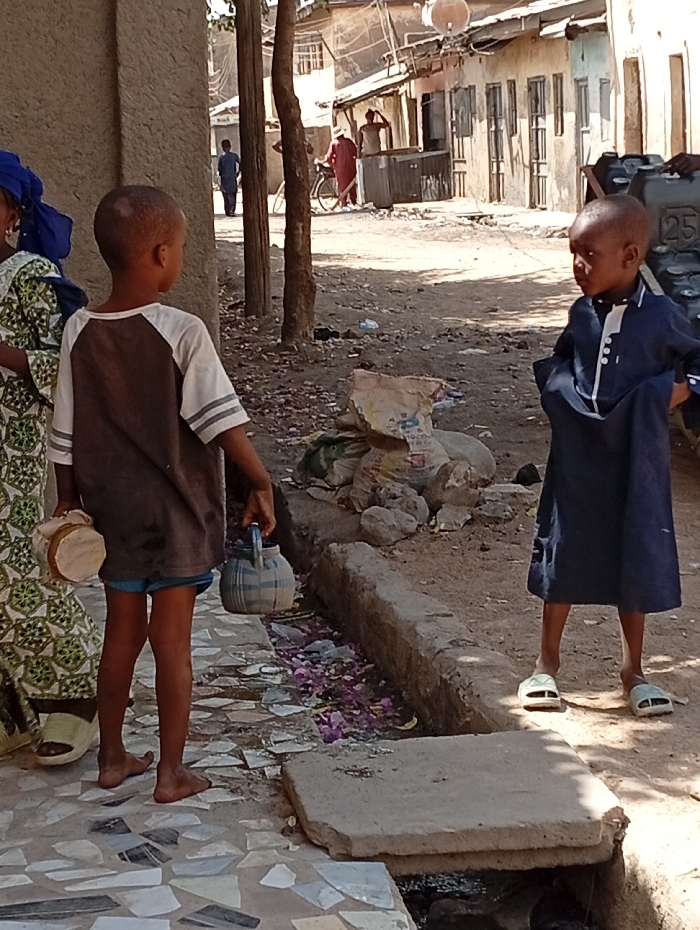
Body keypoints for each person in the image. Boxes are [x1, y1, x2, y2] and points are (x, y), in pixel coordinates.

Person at [48, 185, 276, 802]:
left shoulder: (79, 331)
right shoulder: (181, 331)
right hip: (176, 517)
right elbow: (220, 421)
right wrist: (259, 481)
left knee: (120, 637)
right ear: (159, 254)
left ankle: (112, 758)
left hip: (112, 516)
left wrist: (68, 499)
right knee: (172, 644)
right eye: (180, 248)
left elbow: (64, 431)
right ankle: (171, 773)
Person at [519, 194, 700, 719]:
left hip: (636, 459)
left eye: (589, 255)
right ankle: (546, 664)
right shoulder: (581, 313)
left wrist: (674, 393)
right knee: (564, 551)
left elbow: (696, 359)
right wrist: (561, 393)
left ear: (630, 256)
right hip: (578, 457)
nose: (578, 266)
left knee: (632, 553)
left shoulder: (662, 316)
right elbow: (561, 360)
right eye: (573, 254)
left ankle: (633, 671)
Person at [0, 151, 101, 765]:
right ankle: (12, 710)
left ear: (14, 213)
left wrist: (3, 353)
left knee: (14, 567)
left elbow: (66, 363)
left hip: (10, 448)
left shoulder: (30, 277)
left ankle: (76, 690)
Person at [325, 128, 357, 207]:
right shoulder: (349, 142)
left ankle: (344, 204)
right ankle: (354, 202)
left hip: (340, 168)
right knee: (351, 185)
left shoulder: (333, 143)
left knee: (342, 186)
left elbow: (328, 158)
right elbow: (356, 152)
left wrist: (332, 164)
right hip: (351, 167)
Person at [217, 139, 240, 217]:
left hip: (225, 179)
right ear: (230, 146)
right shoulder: (233, 156)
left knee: (226, 196)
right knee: (232, 195)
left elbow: (219, 169)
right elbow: (241, 163)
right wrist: (238, 172)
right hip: (232, 179)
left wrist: (221, 175)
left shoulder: (222, 157)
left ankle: (228, 211)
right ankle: (232, 210)